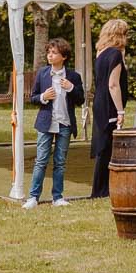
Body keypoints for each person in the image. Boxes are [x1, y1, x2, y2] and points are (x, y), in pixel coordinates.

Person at [25, 38, 85, 209]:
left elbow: (80, 99)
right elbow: (33, 97)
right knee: (41, 160)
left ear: (64, 56)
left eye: (54, 53)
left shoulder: (73, 76)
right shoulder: (42, 73)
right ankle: (33, 197)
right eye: (49, 52)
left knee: (60, 161)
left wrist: (71, 88)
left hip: (65, 123)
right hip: (45, 123)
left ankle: (57, 197)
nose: (50, 55)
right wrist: (44, 97)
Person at [90, 19, 129, 199]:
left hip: (99, 101)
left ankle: (101, 188)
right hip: (108, 103)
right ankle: (101, 190)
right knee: (106, 147)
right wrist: (120, 111)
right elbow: (113, 85)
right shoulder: (115, 54)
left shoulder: (100, 52)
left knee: (103, 146)